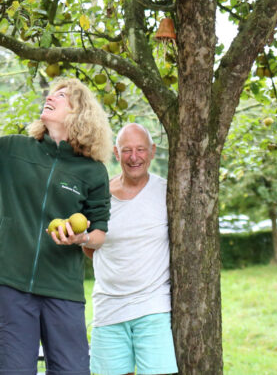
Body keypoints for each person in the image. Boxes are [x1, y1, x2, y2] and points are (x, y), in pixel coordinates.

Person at [0, 44, 112, 374]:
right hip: (11, 287)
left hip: (63, 291)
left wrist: (81, 238)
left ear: (80, 113)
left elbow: (100, 233)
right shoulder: (13, 150)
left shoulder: (92, 171)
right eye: (51, 93)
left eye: (62, 96)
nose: (51, 97)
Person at [67, 123, 178, 375]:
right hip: (108, 309)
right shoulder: (99, 196)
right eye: (127, 150)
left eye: (141, 149)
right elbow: (91, 246)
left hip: (153, 308)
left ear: (152, 151)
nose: (134, 157)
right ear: (116, 153)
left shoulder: (167, 192)